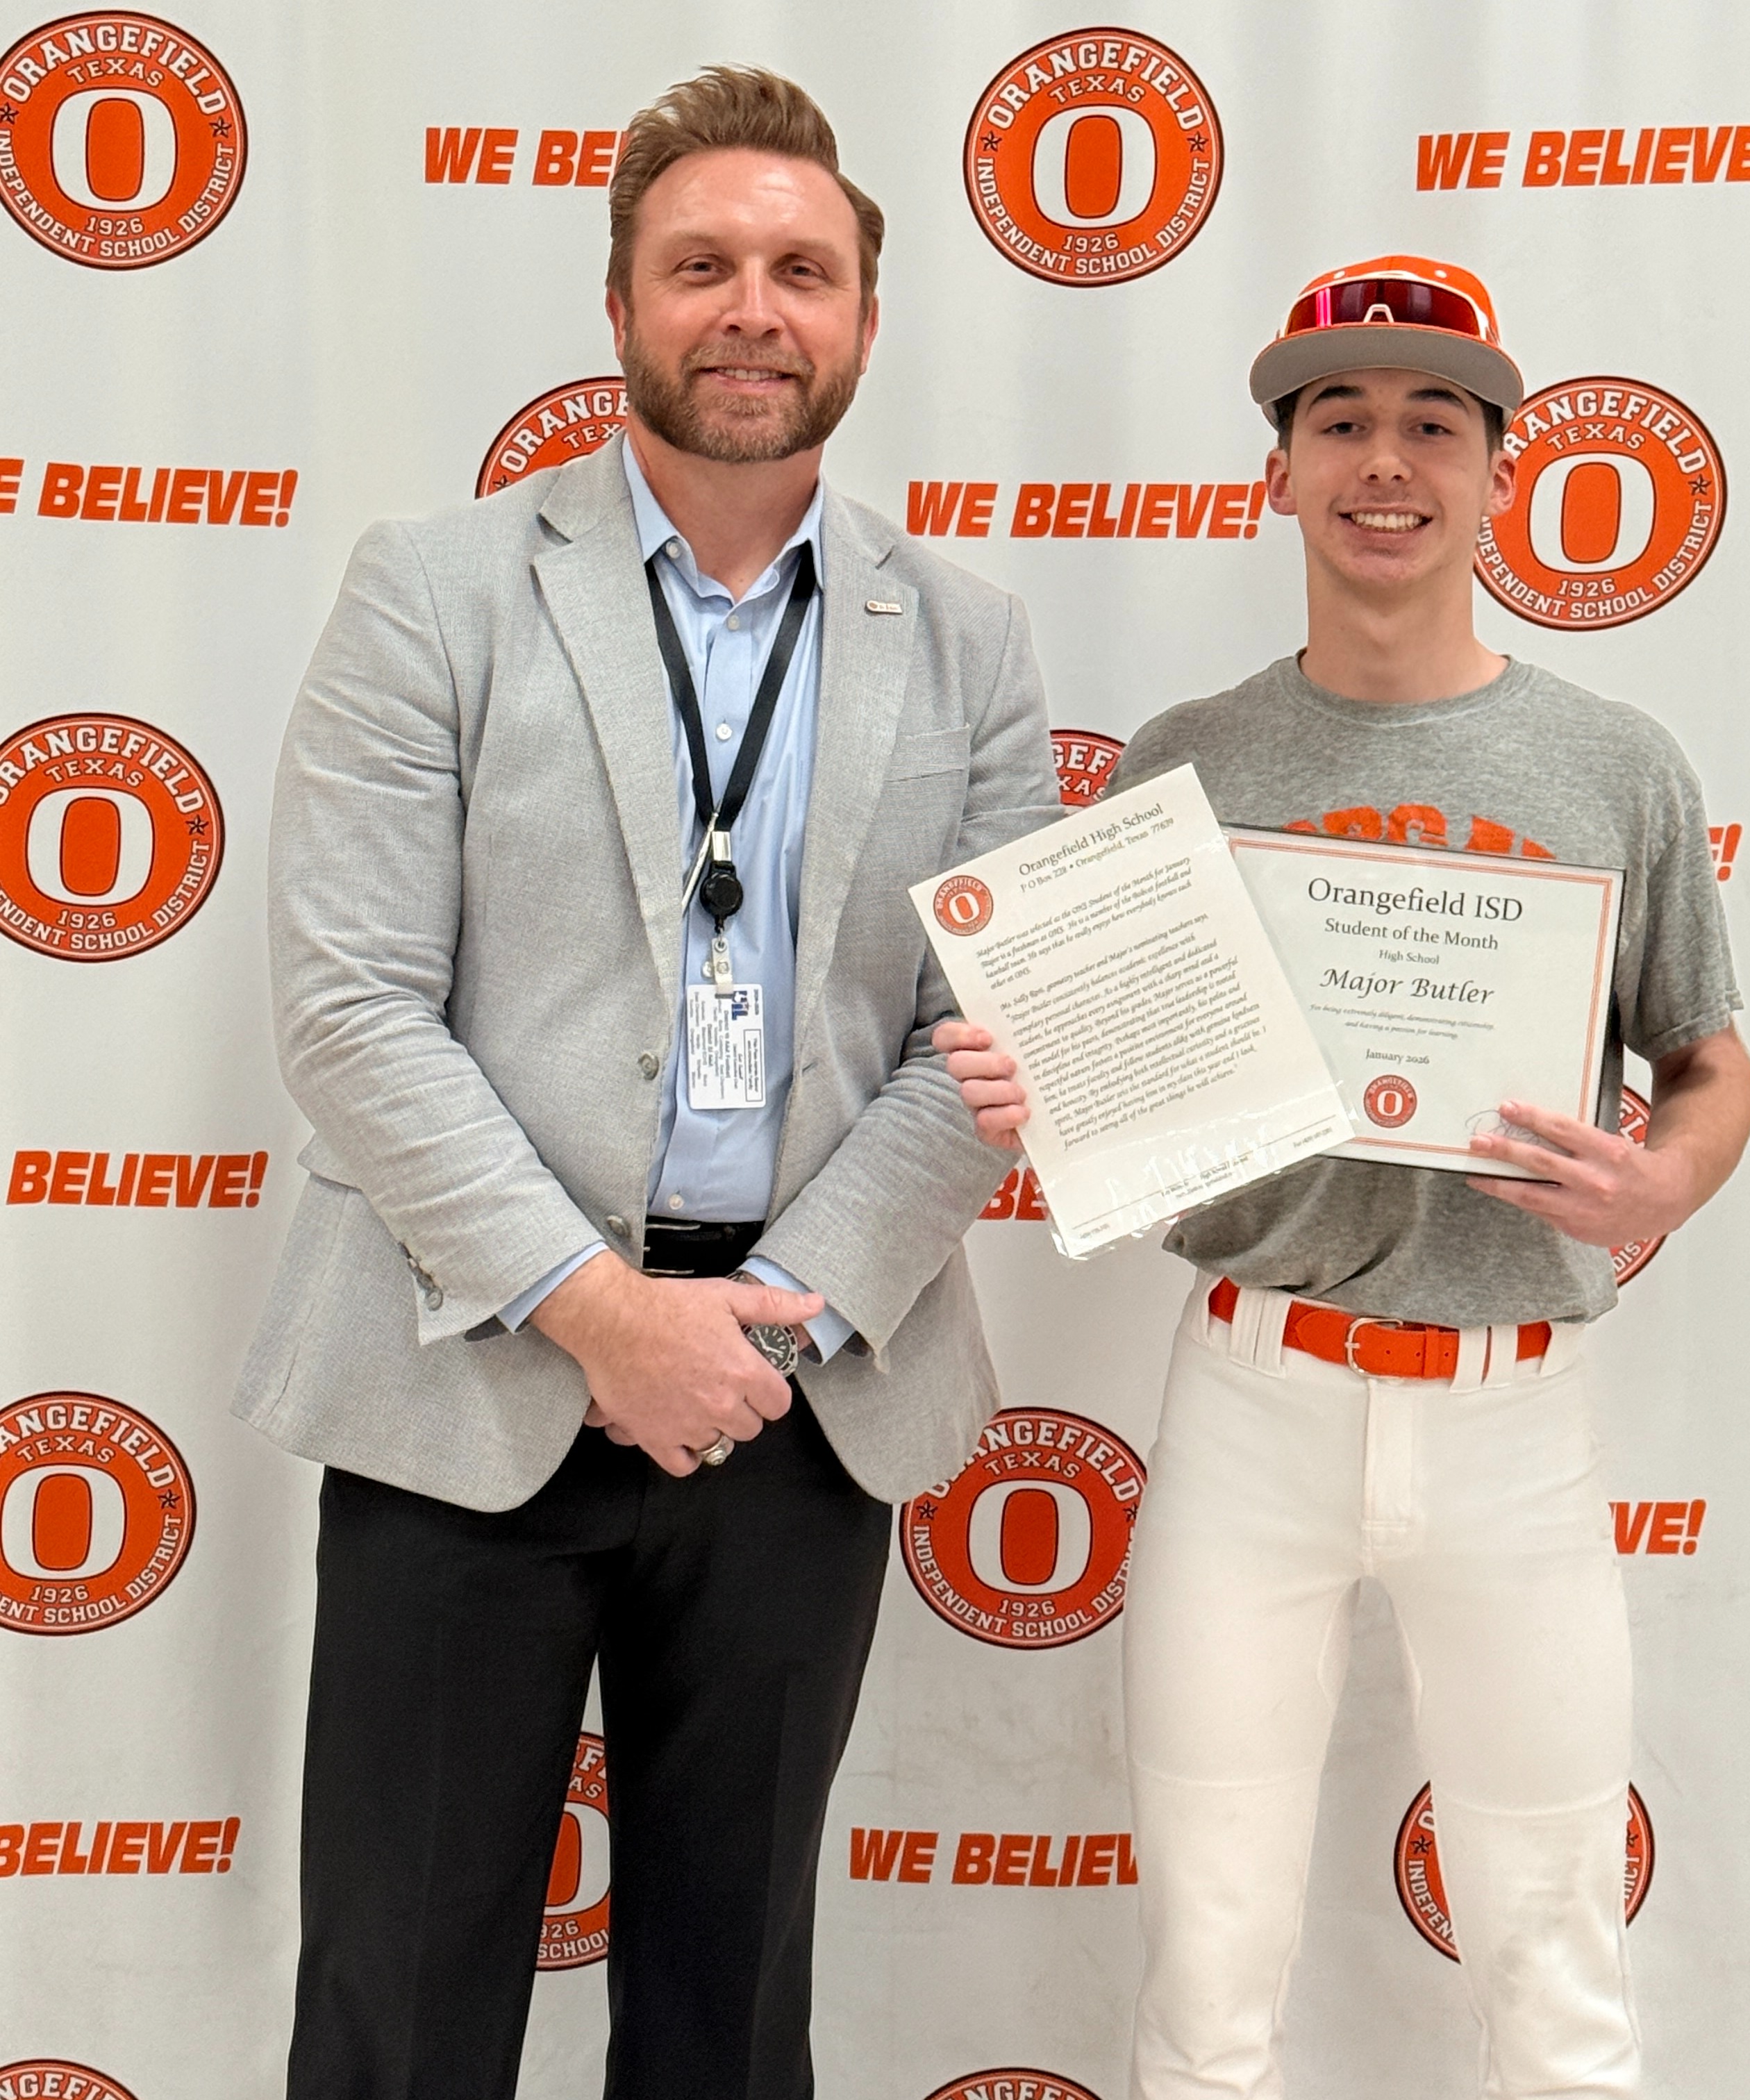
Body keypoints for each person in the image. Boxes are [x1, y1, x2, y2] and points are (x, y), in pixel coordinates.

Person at [238, 65, 1059, 2100]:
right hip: (474, 1368)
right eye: (702, 265)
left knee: (730, 2011)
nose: (752, 308)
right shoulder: (431, 591)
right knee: (399, 2009)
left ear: (866, 318)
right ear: (621, 308)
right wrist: (604, 1315)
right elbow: (350, 1011)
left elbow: (998, 1036)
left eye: (802, 268)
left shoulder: (965, 640)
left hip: (804, 1392)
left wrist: (764, 1323)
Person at [938, 253, 1750, 2098]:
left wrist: (1667, 1185)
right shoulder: (1190, 764)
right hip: (1256, 1394)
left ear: (1497, 470)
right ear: (1282, 471)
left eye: (1434, 423)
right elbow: (1112, 1081)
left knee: (1557, 1960)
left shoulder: (1610, 764)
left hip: (1518, 1426)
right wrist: (1044, 1079)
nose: (1386, 459)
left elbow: (1708, 1065)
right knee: (1208, 1965)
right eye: (1341, 420)